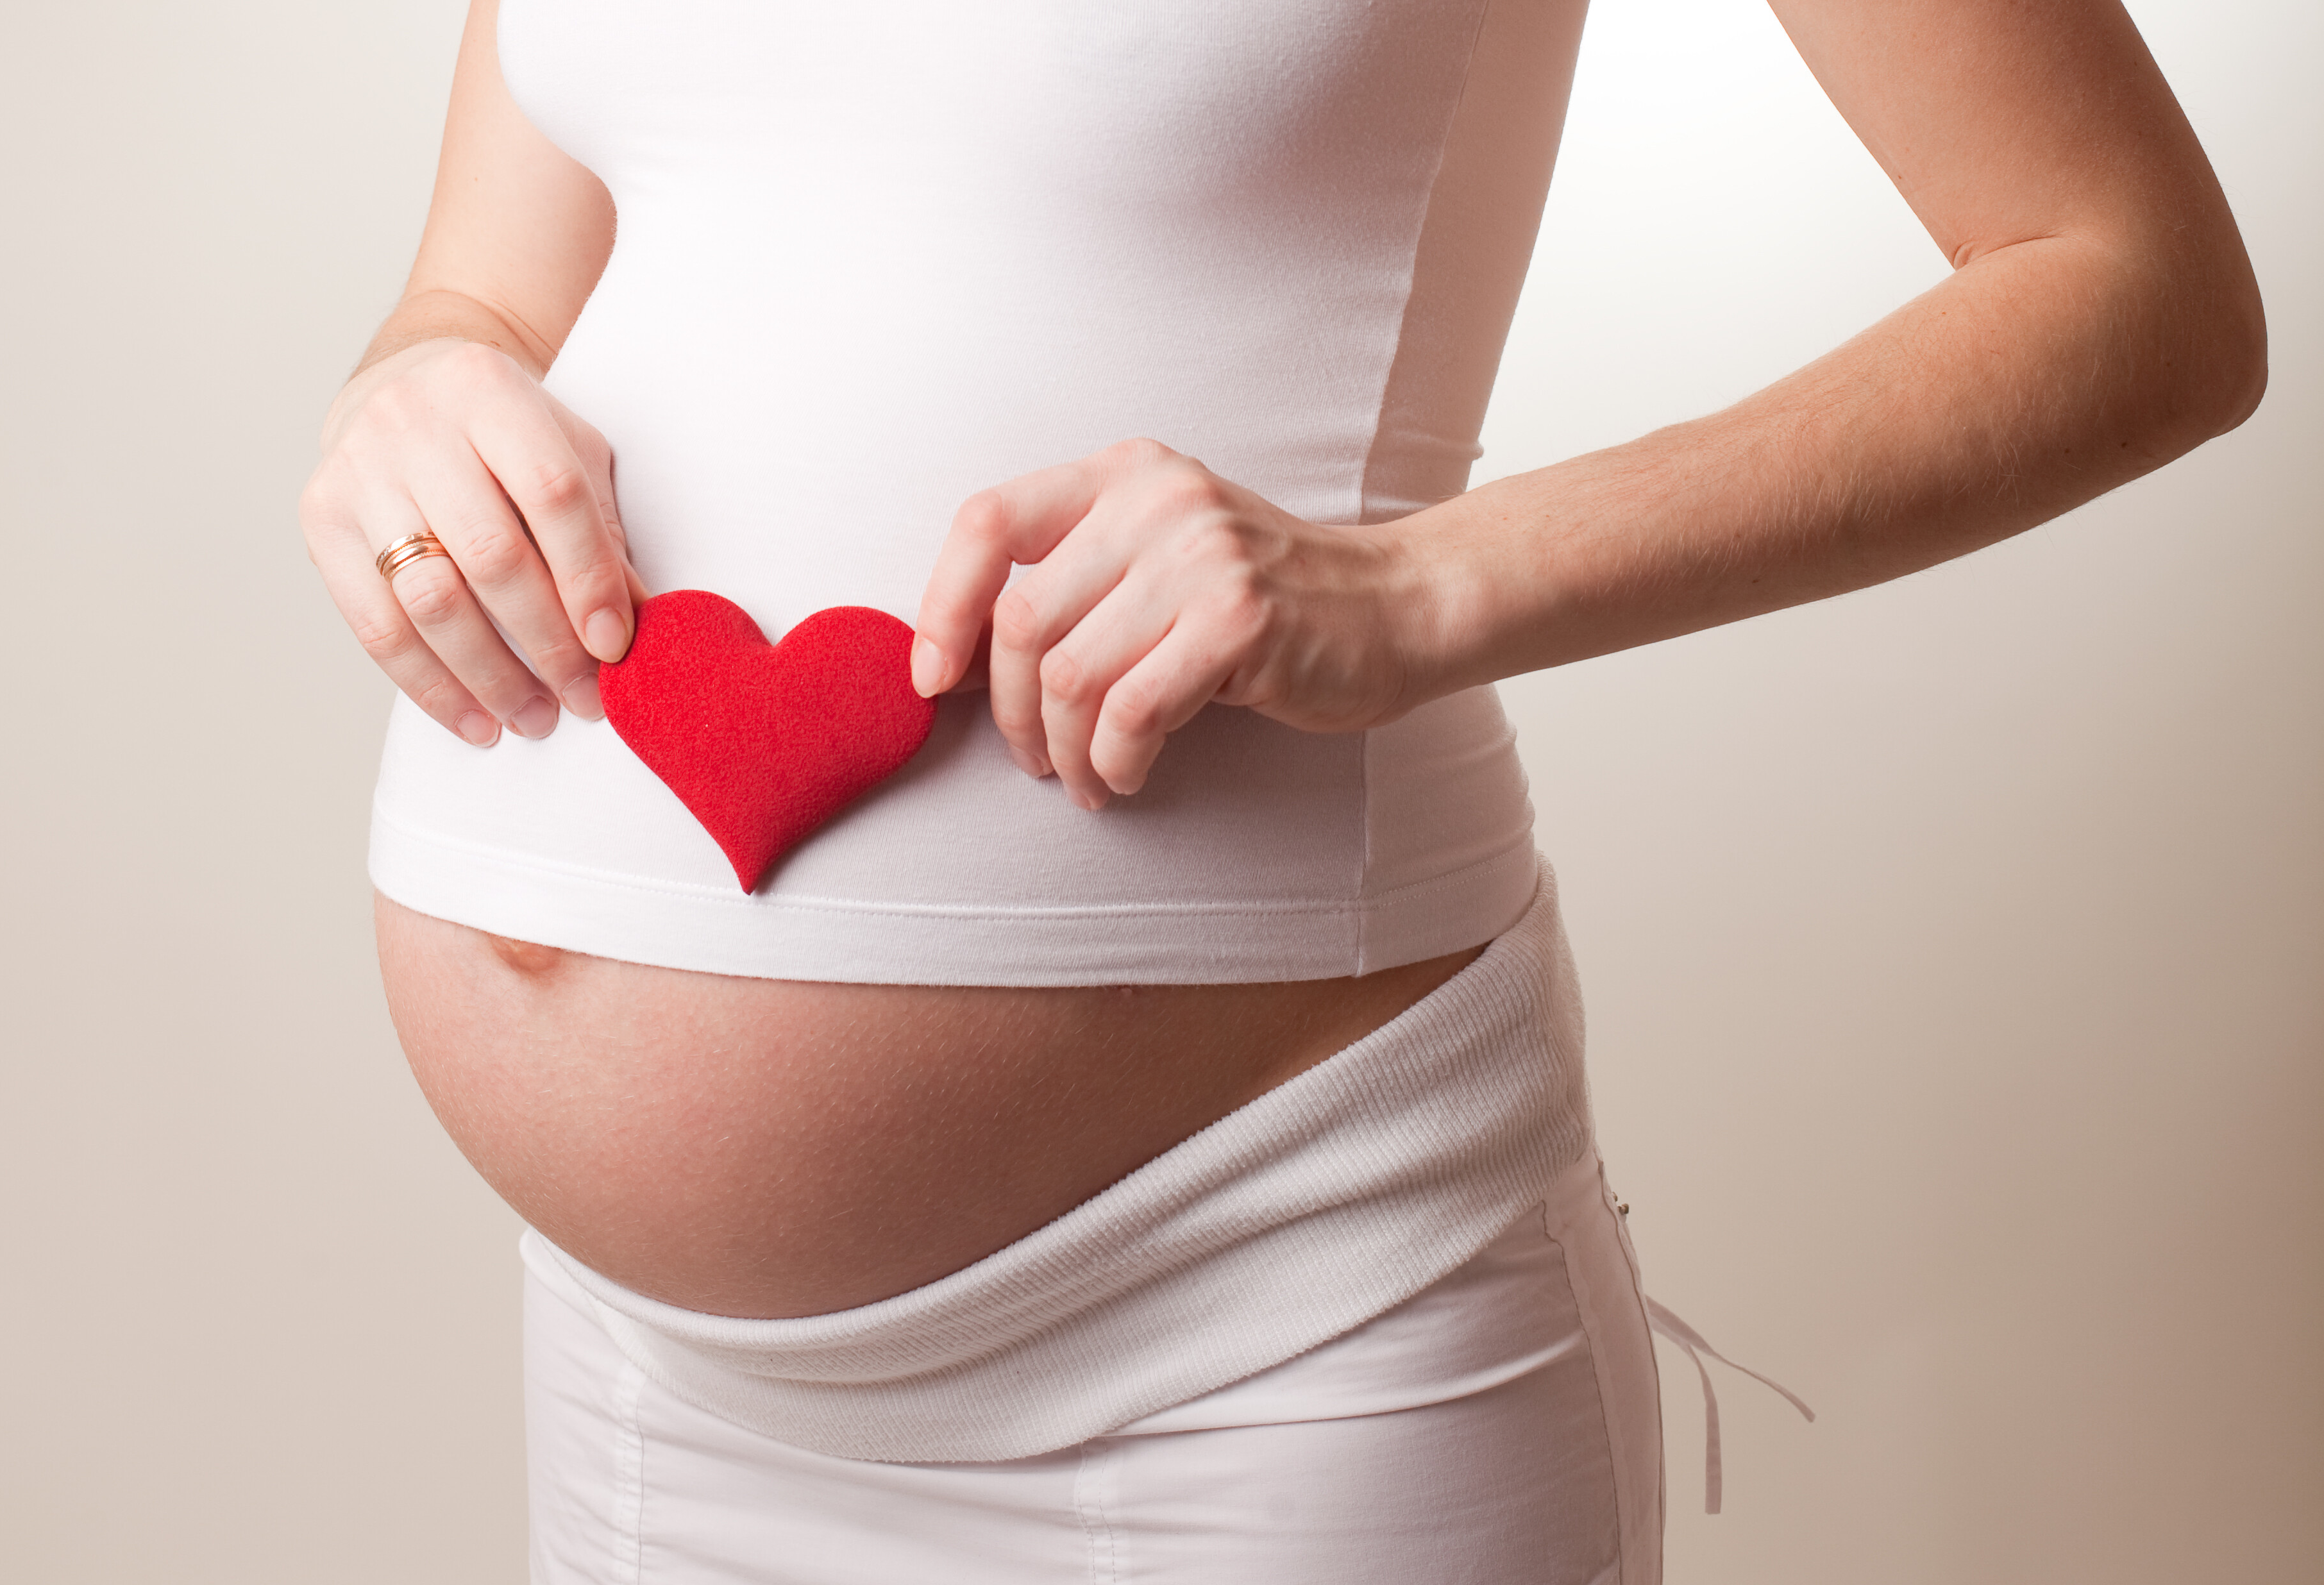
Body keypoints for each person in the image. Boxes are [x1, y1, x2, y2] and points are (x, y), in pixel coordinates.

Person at [298, 1, 2262, 1579]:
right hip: (650, 1382)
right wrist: (407, 392)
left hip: (1264, 1338)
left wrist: (1421, 583)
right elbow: (484, 290)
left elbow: (2129, 282)